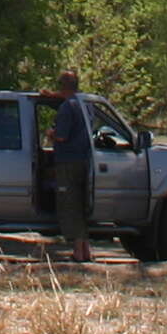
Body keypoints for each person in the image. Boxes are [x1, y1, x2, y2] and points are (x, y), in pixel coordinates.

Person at [44, 71, 95, 262]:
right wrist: (52, 96)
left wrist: (51, 133)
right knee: (83, 205)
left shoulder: (67, 108)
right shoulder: (86, 104)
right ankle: (86, 250)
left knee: (70, 205)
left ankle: (78, 252)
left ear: (63, 86)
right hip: (86, 161)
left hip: (68, 163)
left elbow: (62, 136)